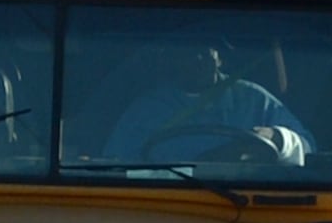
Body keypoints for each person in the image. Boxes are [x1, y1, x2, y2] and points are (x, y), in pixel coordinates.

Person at [86, 38, 307, 173]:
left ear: (220, 58)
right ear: (170, 60)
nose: (197, 58)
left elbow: (308, 148)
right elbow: (114, 167)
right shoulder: (146, 110)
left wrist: (277, 137)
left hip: (246, 201)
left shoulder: (254, 99)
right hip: (165, 205)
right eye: (186, 52)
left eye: (205, 50)